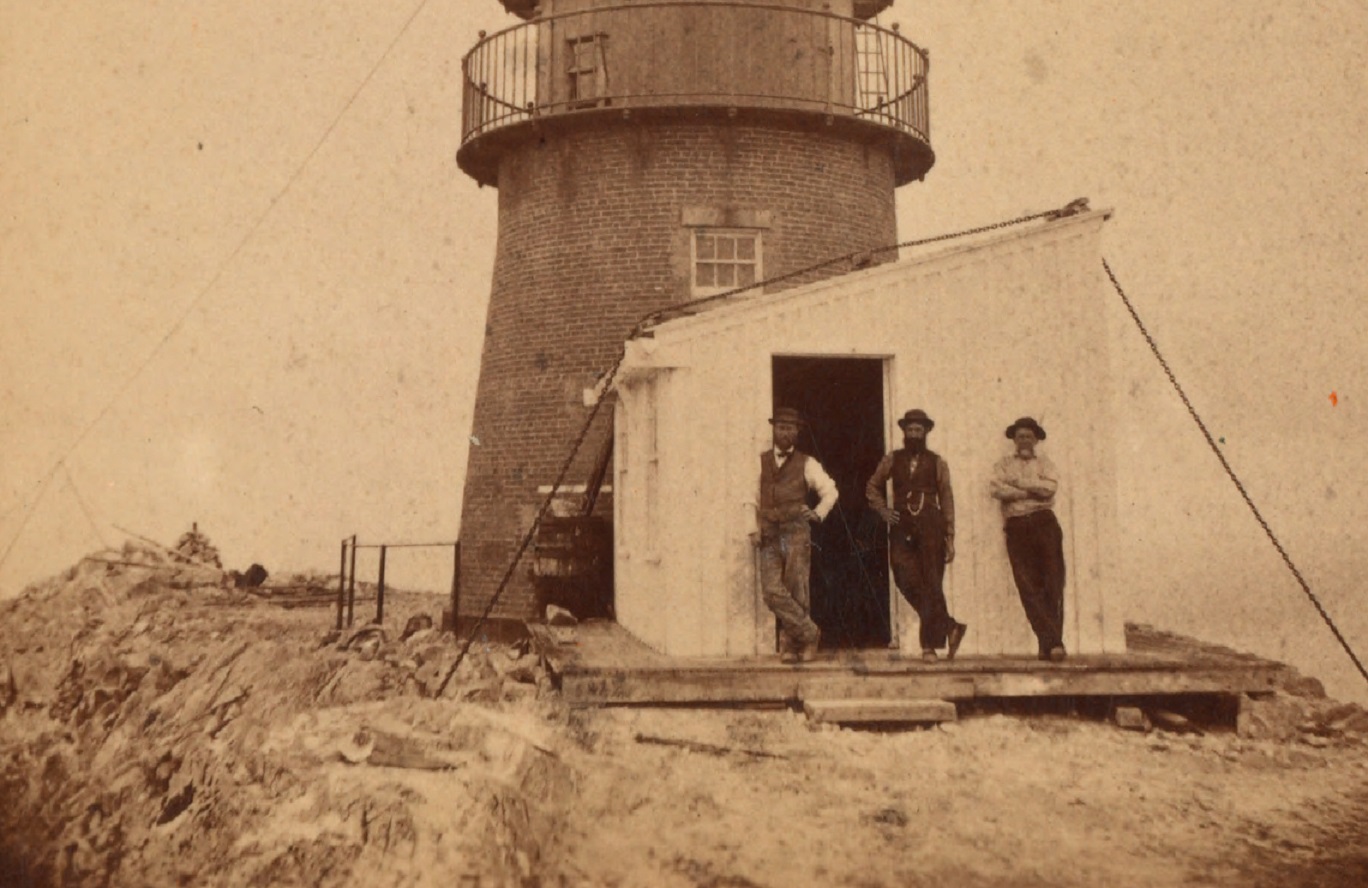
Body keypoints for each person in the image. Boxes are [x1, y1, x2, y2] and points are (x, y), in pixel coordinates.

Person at [865, 409, 967, 662]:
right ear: (904, 432)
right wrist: (883, 511)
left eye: (918, 430)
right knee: (903, 574)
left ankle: (929, 647)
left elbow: (947, 498)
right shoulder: (892, 459)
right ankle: (949, 625)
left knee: (932, 580)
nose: (913, 434)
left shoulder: (938, 462)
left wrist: (950, 536)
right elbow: (872, 486)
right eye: (910, 430)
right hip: (901, 524)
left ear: (926, 433)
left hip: (931, 524)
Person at [753, 407, 839, 664]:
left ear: (798, 432)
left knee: (797, 587)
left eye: (791, 428)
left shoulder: (807, 462)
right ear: (774, 429)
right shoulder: (760, 461)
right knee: (771, 590)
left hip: (795, 531)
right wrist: (752, 528)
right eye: (781, 427)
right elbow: (750, 497)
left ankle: (792, 645)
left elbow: (831, 491)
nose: (785, 432)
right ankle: (810, 633)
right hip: (769, 532)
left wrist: (817, 512)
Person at [990, 416, 1067, 662]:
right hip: (1017, 526)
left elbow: (1050, 490)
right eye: (1020, 436)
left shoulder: (1046, 463)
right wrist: (1032, 489)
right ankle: (1053, 643)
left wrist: (1019, 485)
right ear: (1014, 439)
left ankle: (1050, 643)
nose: (1025, 440)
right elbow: (997, 490)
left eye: (1029, 436)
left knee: (1053, 583)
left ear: (1036, 440)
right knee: (1028, 586)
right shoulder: (1002, 464)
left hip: (1045, 523)